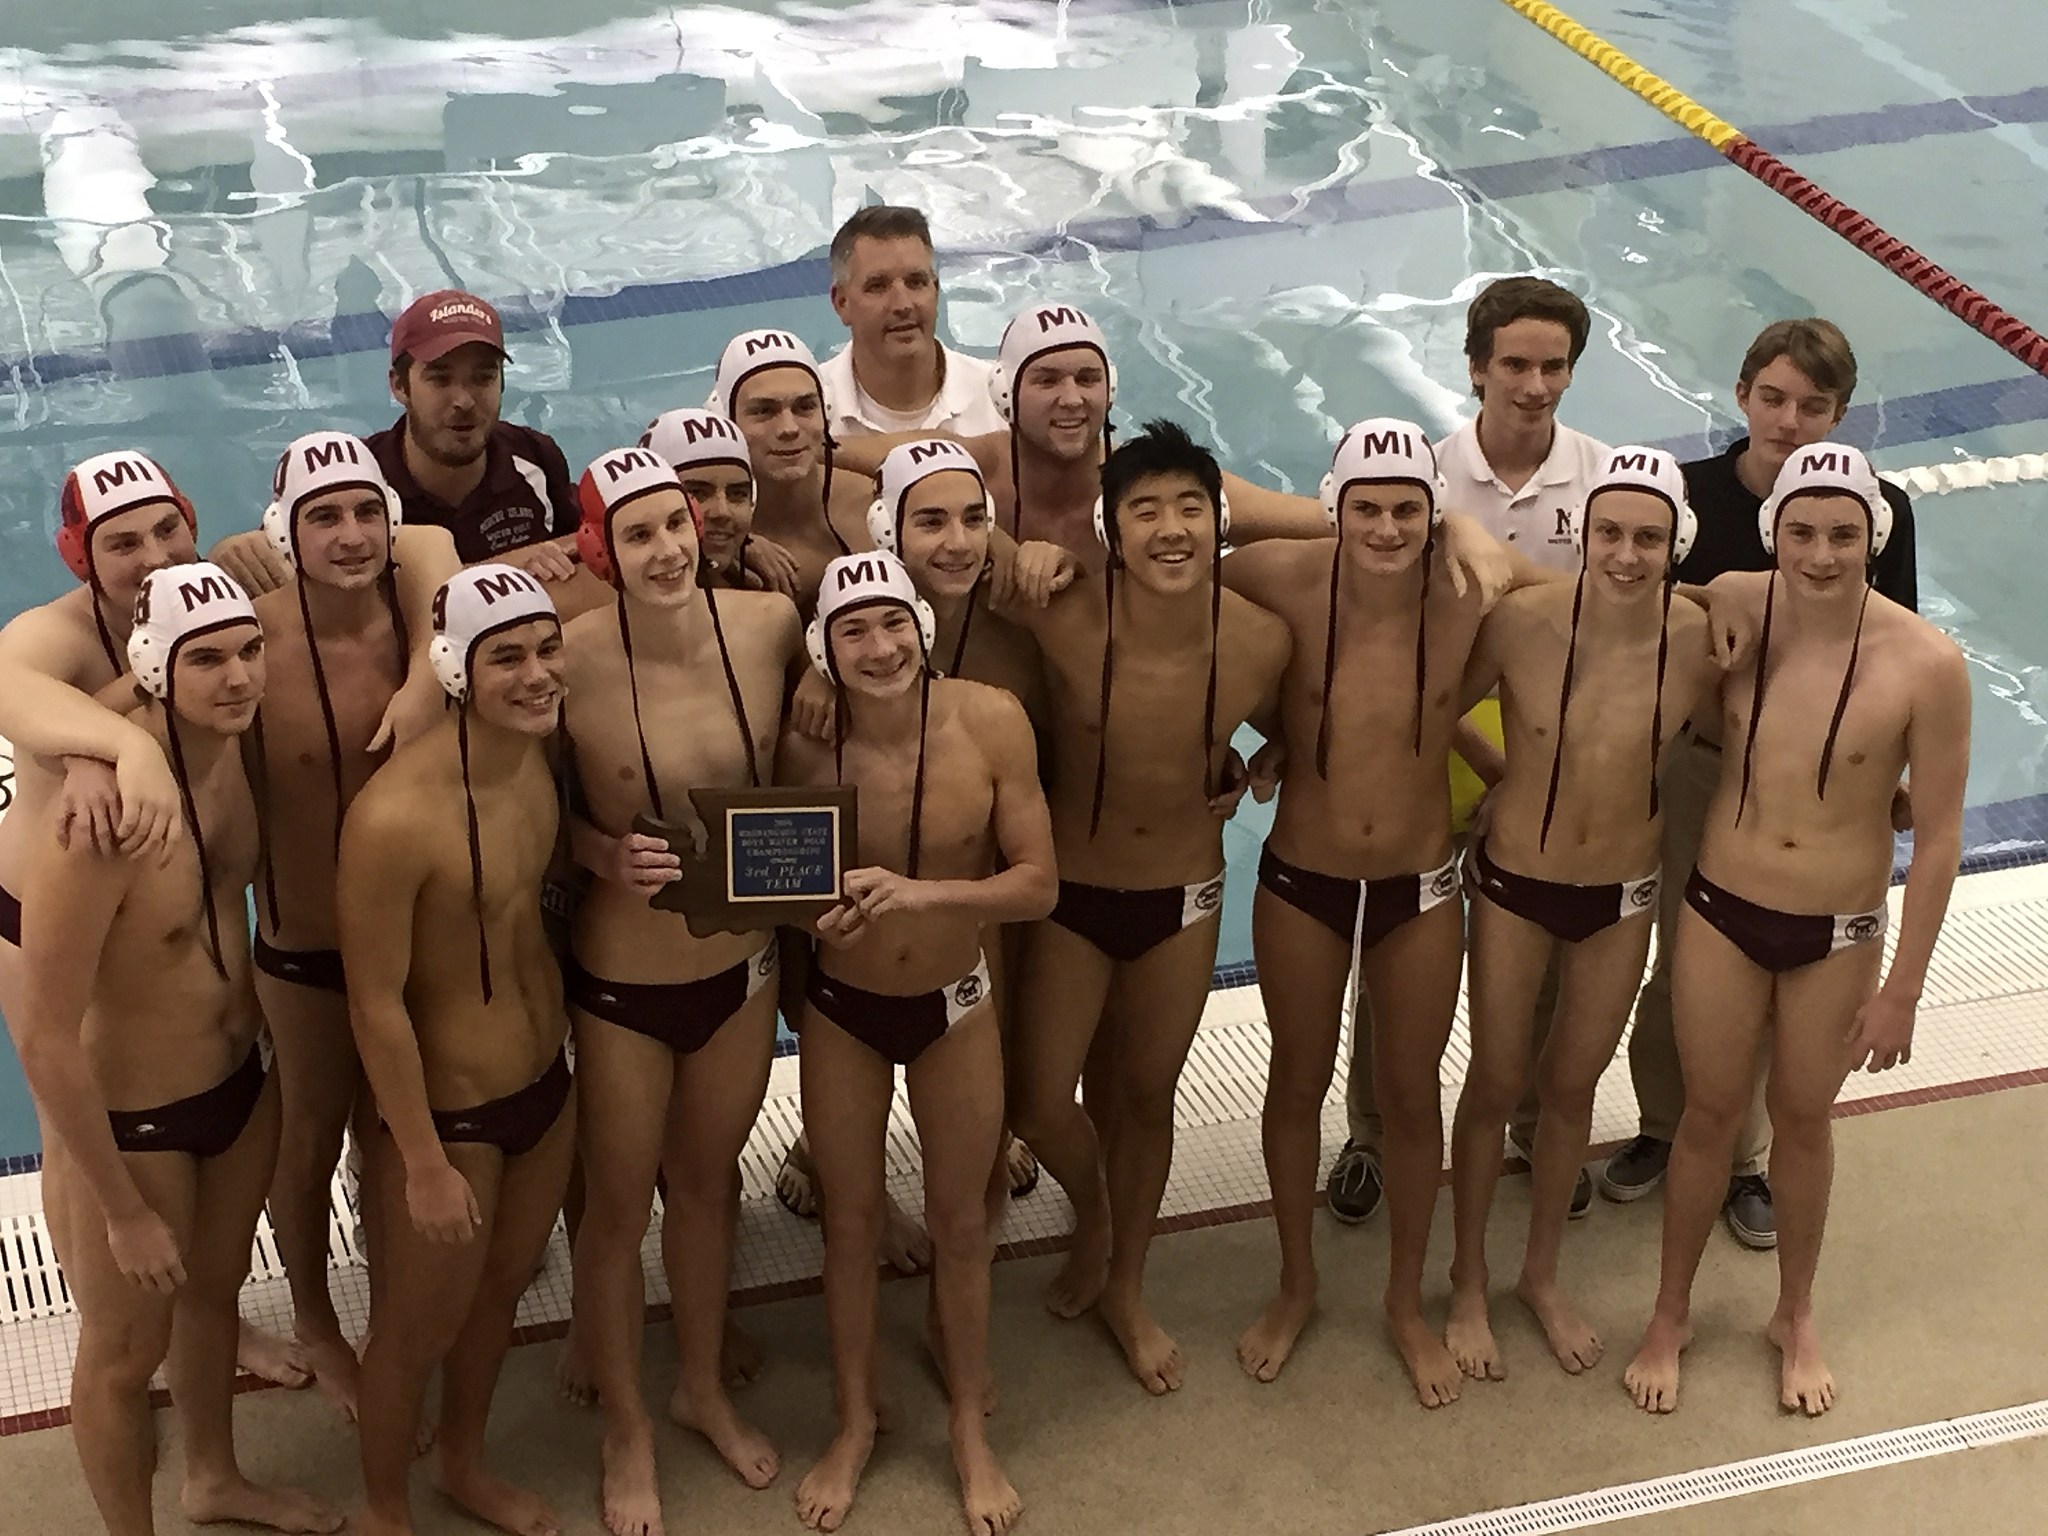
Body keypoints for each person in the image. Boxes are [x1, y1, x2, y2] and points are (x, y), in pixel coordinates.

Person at [1623, 445, 1967, 1417]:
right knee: (1705, 1113)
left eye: (1842, 536)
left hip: (1839, 926)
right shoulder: (1737, 609)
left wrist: (1902, 986)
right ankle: (1669, 1312)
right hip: (1720, 911)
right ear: (1774, 531)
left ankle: (1794, 1315)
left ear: (1874, 538)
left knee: (1804, 1123)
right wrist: (1729, 580)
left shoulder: (1925, 665)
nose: (1820, 556)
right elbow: (1663, 584)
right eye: (1801, 533)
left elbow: (1936, 840)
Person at [9, 563, 341, 1536]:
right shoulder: (97, 817)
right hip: (135, 1123)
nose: (238, 678)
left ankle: (213, 1477)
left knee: (215, 1297)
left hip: (239, 1082)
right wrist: (117, 1210)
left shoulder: (234, 749)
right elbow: (42, 1032)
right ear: (157, 667)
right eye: (208, 660)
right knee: (121, 1350)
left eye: (249, 652)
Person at [1603, 318, 1921, 1251]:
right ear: (1742, 396)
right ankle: (1669, 1126)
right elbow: (1635, 610)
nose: (1790, 421)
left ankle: (1746, 1158)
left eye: (1813, 407)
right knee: (1684, 961)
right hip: (1703, 767)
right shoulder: (1692, 496)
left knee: (1789, 978)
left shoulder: (1877, 507)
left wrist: (1889, 778)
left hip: (1822, 783)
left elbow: (1896, 640)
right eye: (1773, 399)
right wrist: (1720, 593)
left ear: (1840, 415)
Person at [0, 452, 311, 1392]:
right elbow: (12, 697)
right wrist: (112, 745)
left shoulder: (205, 595)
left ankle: (200, 1327)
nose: (151, 556)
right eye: (121, 542)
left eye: (166, 529)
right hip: (41, 898)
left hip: (170, 888)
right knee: (74, 1111)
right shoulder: (52, 636)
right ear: (76, 557)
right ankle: (124, 1316)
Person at [1218, 422, 1505, 1403]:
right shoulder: (1278, 576)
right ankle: (1295, 1284)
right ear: (1332, 509)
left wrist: (1474, 536)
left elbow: (1573, 601)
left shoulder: (1465, 590)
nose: (1385, 528)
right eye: (1365, 509)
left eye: (1408, 510)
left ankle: (1403, 1301)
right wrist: (1272, 732)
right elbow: (1170, 588)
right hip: (1301, 876)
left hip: (1418, 886)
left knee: (1411, 1092)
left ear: (1432, 515)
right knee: (1293, 1083)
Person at [1006, 421, 1290, 1394]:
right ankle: (1097, 1214)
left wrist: (1262, 761)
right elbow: (937, 577)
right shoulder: (1060, 615)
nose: (1170, 529)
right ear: (1109, 527)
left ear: (1216, 520)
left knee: (1144, 1095)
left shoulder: (1260, 640)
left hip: (1183, 896)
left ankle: (1125, 1281)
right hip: (1070, 894)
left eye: (1188, 507)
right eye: (1144, 510)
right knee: (1038, 1102)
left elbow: (1305, 725)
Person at [780, 551, 1055, 1536]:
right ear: (823, 648)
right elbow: (764, 879)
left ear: (923, 630)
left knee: (962, 1223)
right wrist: (814, 916)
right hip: (841, 1010)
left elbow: (1036, 883)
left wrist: (925, 894)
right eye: (851, 630)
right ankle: (854, 1421)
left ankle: (966, 1430)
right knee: (850, 1227)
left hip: (955, 1004)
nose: (880, 645)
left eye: (894, 624)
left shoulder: (989, 722)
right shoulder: (798, 741)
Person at [1329, 276, 1611, 1229]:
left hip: (1556, 763)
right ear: (1476, 366)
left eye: (1554, 366)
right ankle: (1370, 1132)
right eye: (1516, 365)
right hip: (1438, 745)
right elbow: (1395, 650)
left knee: (1539, 957)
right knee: (1395, 947)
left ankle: (1531, 1125)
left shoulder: (1605, 481)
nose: (1535, 386)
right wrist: (1492, 765)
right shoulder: (1423, 480)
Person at [556, 445, 800, 1535]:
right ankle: (626, 1429)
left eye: (678, 526)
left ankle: (696, 1386)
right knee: (614, 1211)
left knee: (707, 1186)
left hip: (739, 975)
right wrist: (597, 855)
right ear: (601, 549)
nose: (667, 549)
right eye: (639, 532)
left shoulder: (767, 631)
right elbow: (524, 805)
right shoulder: (563, 663)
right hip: (622, 984)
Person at [1443, 448, 1719, 1382]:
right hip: (1518, 881)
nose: (1628, 555)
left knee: (1571, 1092)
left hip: (1623, 895)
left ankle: (1540, 1278)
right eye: (1610, 533)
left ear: (1675, 543)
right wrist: (1499, 776)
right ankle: (1470, 1280)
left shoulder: (1701, 640)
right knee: (1496, 1080)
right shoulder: (1520, 623)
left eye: (1649, 537)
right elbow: (1438, 704)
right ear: (1583, 534)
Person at [340, 563, 576, 1536]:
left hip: (543, 1086)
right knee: (413, 1327)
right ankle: (388, 1509)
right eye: (506, 657)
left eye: (545, 649)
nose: (535, 675)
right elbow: (375, 1003)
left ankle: (461, 1465)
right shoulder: (394, 818)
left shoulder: (536, 760)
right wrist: (423, 1162)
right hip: (451, 1113)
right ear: (453, 672)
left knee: (496, 1299)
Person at [208, 291, 580, 595]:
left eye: (482, 378)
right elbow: (271, 563)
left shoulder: (534, 459)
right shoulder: (351, 478)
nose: (464, 400)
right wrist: (232, 553)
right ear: (399, 386)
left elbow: (589, 540)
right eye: (440, 379)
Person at [707, 328, 877, 608]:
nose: (788, 428)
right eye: (764, 411)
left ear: (827, 410)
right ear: (725, 422)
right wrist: (721, 541)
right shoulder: (702, 527)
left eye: (804, 407)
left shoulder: (872, 503)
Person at [818, 205, 1004, 440]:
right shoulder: (806, 411)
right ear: (841, 303)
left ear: (935, 291)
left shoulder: (998, 399)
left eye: (916, 282)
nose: (902, 305)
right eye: (878, 286)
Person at [638, 406, 795, 595]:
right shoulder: (606, 597)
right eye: (697, 493)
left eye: (737, 494)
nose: (722, 512)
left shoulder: (766, 597)